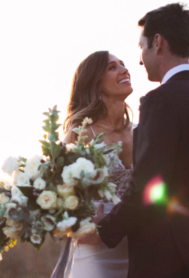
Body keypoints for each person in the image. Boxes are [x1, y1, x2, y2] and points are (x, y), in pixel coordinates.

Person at [95, 3, 189, 278]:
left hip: (162, 262)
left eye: (141, 47)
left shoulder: (161, 100)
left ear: (157, 43)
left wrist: (105, 229)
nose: (139, 59)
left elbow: (147, 186)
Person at [51, 50, 135, 278]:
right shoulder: (79, 135)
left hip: (139, 252)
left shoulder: (142, 133)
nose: (124, 69)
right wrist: (75, 224)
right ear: (95, 83)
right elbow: (55, 196)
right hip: (94, 255)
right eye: (112, 67)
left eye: (123, 64)